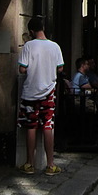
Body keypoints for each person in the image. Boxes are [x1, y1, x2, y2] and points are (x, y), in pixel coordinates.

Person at [17, 17, 64, 175]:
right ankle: (50, 165)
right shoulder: (55, 46)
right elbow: (60, 68)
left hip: (30, 92)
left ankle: (30, 163)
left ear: (31, 31)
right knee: (47, 126)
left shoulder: (28, 46)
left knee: (31, 127)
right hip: (48, 91)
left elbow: (22, 69)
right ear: (43, 28)